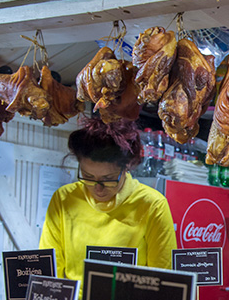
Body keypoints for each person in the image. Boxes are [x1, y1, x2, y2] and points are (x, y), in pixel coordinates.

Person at [39, 117, 177, 290]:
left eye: (108, 179)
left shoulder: (152, 205)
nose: (98, 188)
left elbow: (163, 276)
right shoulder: (64, 199)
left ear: (126, 167)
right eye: (88, 177)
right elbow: (51, 271)